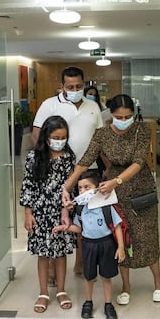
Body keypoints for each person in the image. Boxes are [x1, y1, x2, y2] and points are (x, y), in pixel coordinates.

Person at [62, 94, 160, 305]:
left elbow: (138, 162)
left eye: (128, 116)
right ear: (111, 115)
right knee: (120, 237)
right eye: (119, 116)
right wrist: (67, 186)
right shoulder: (101, 134)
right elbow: (84, 162)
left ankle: (158, 281)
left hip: (140, 187)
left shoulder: (142, 130)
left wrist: (116, 181)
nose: (124, 120)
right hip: (113, 193)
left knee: (147, 235)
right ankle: (126, 286)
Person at [32, 66, 103, 278]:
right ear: (62, 86)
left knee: (84, 219)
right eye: (70, 86)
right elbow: (36, 134)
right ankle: (52, 267)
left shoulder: (93, 106)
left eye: (78, 86)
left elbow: (100, 139)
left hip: (87, 171)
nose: (74, 89)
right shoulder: (49, 104)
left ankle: (80, 263)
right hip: (56, 172)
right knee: (56, 217)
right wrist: (45, 161)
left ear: (85, 84)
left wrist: (107, 167)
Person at [20, 115, 76, 313]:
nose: (59, 141)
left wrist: (67, 209)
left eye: (63, 137)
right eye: (55, 137)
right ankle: (43, 292)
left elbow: (71, 186)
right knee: (42, 254)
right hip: (39, 212)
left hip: (61, 212)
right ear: (45, 137)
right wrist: (28, 213)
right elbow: (28, 186)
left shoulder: (69, 158)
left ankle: (61, 290)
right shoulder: (33, 158)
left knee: (60, 253)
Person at [53, 170, 126, 319]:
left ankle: (108, 305)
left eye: (87, 187)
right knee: (89, 277)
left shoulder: (107, 205)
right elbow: (79, 229)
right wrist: (64, 227)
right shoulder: (80, 209)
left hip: (106, 244)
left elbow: (118, 226)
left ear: (97, 188)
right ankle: (88, 303)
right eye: (80, 188)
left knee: (106, 276)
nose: (83, 191)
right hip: (88, 245)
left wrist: (120, 247)